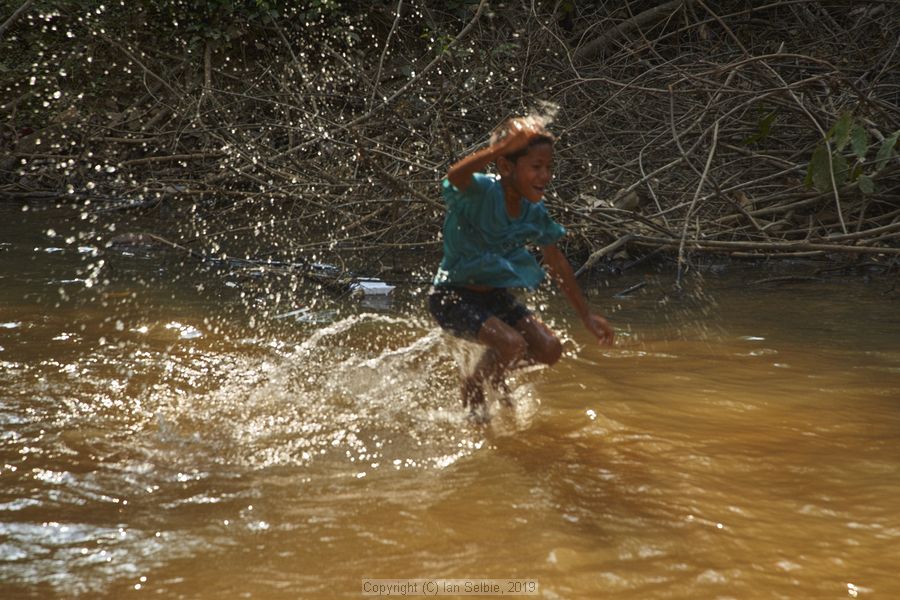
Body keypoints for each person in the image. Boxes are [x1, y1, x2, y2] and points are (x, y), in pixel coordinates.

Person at [428, 116, 615, 417]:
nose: (545, 176)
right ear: (505, 167)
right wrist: (497, 149)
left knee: (550, 348)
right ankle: (475, 388)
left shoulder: (533, 210)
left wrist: (586, 315)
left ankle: (489, 375)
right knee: (512, 343)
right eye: (536, 167)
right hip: (451, 296)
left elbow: (555, 261)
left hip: (493, 297)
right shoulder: (479, 192)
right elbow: (453, 177)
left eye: (548, 167)